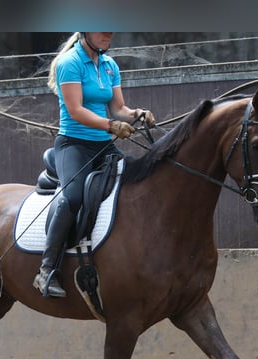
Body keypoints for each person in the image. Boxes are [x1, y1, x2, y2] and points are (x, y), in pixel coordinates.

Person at [33, 32, 156, 298]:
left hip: (103, 146)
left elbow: (119, 108)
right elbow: (76, 110)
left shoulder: (109, 65)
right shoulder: (70, 62)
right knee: (72, 196)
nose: (108, 34)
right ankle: (46, 270)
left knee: (136, 185)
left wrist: (137, 114)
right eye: (102, 29)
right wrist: (110, 125)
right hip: (73, 145)